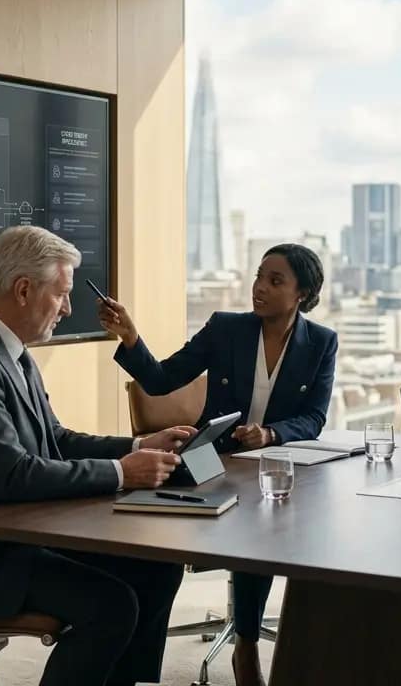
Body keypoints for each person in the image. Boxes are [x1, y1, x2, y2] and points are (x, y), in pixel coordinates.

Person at [0, 226, 193, 686]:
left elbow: (55, 438)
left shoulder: (7, 349)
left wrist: (137, 447)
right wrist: (122, 473)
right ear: (24, 290)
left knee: (157, 566)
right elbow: (13, 474)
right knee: (110, 605)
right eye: (62, 293)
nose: (68, 308)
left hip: (10, 535)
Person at [97, 243, 338, 686]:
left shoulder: (321, 342)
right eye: (259, 276)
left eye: (275, 281)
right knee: (253, 524)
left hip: (273, 461)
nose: (259, 287)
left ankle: (246, 642)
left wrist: (270, 434)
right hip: (211, 454)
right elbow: (161, 379)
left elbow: (314, 417)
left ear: (302, 293)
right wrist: (130, 337)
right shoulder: (226, 328)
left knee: (270, 517)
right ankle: (242, 645)